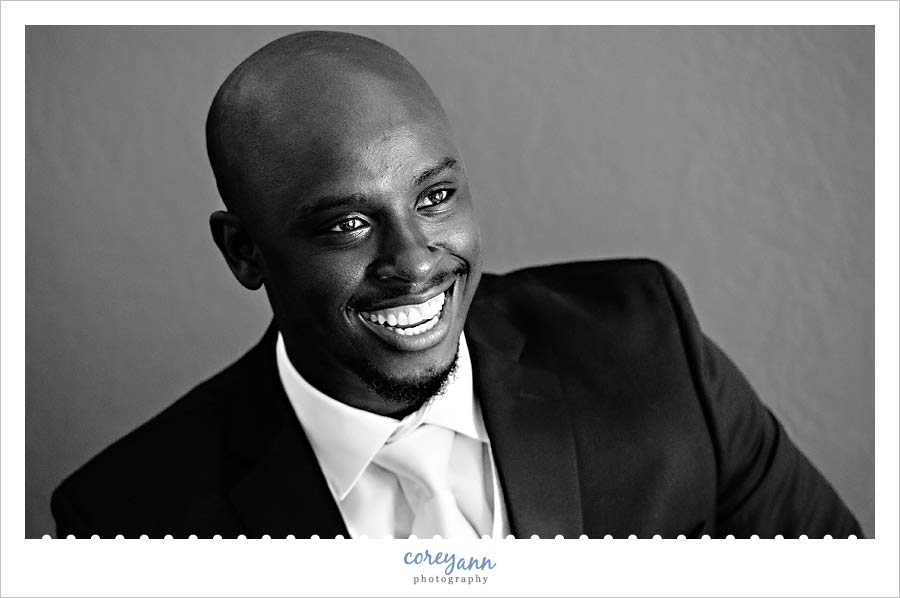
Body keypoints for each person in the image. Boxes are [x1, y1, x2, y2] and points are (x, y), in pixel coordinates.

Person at [51, 30, 862, 539]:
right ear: (244, 254)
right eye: (346, 224)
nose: (415, 260)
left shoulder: (650, 345)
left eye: (434, 198)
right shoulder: (127, 520)